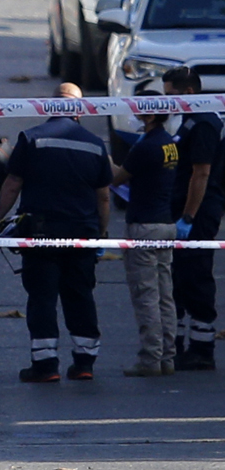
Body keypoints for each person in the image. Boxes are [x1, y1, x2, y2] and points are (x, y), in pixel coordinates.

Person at [0, 83, 112, 382]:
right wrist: (101, 234)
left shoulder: (30, 138)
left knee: (42, 297)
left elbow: (12, 184)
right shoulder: (95, 144)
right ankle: (84, 363)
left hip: (41, 234)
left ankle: (45, 366)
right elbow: (104, 197)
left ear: (49, 107)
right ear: (79, 111)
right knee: (80, 295)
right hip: (82, 234)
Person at [111, 90, 179, 377]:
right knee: (165, 294)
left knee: (146, 294)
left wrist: (103, 157)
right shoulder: (169, 144)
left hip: (144, 227)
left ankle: (150, 358)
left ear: (148, 113)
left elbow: (116, 178)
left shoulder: (145, 147)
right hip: (166, 224)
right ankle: (167, 356)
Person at [163, 66, 225, 371]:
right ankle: (175, 342)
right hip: (185, 206)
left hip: (198, 210)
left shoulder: (202, 123)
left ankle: (202, 348)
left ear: (188, 93)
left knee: (196, 275)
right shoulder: (189, 119)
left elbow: (201, 173)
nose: (167, 102)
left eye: (170, 95)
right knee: (178, 277)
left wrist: (188, 216)